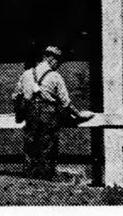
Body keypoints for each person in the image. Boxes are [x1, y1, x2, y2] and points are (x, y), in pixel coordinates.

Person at [12, 44, 92, 180]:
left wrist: (19, 114)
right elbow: (66, 104)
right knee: (47, 149)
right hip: (48, 116)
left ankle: (29, 181)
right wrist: (79, 116)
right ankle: (46, 182)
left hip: (30, 116)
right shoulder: (55, 77)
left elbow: (15, 97)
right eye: (58, 61)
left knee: (30, 148)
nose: (59, 65)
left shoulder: (26, 74)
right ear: (51, 59)